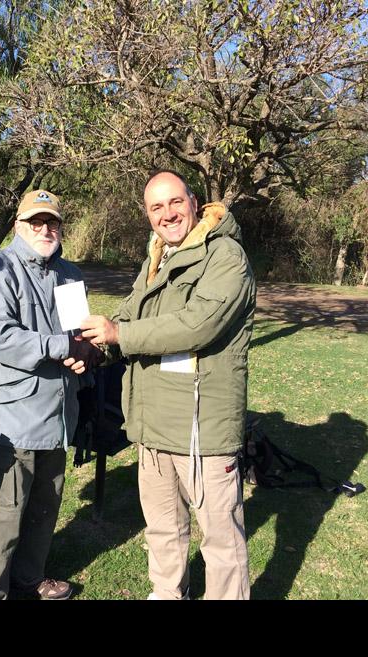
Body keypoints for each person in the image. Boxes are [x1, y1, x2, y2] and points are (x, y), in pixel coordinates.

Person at [81, 170, 256, 600]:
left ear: (194, 203)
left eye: (175, 202)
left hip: (202, 427)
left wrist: (120, 335)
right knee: (163, 527)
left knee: (220, 537)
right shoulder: (156, 257)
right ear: (148, 215)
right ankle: (167, 593)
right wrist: (95, 348)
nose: (168, 214)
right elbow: (129, 313)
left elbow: (197, 325)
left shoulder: (225, 256)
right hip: (153, 422)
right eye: (156, 207)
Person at [0, 189, 102, 600]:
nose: (45, 230)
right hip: (13, 421)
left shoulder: (70, 274)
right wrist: (64, 347)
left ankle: (29, 579)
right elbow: (1, 338)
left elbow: (78, 335)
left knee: (45, 508)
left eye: (52, 222)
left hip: (59, 416)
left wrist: (87, 358)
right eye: (36, 222)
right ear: (18, 226)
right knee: (4, 517)